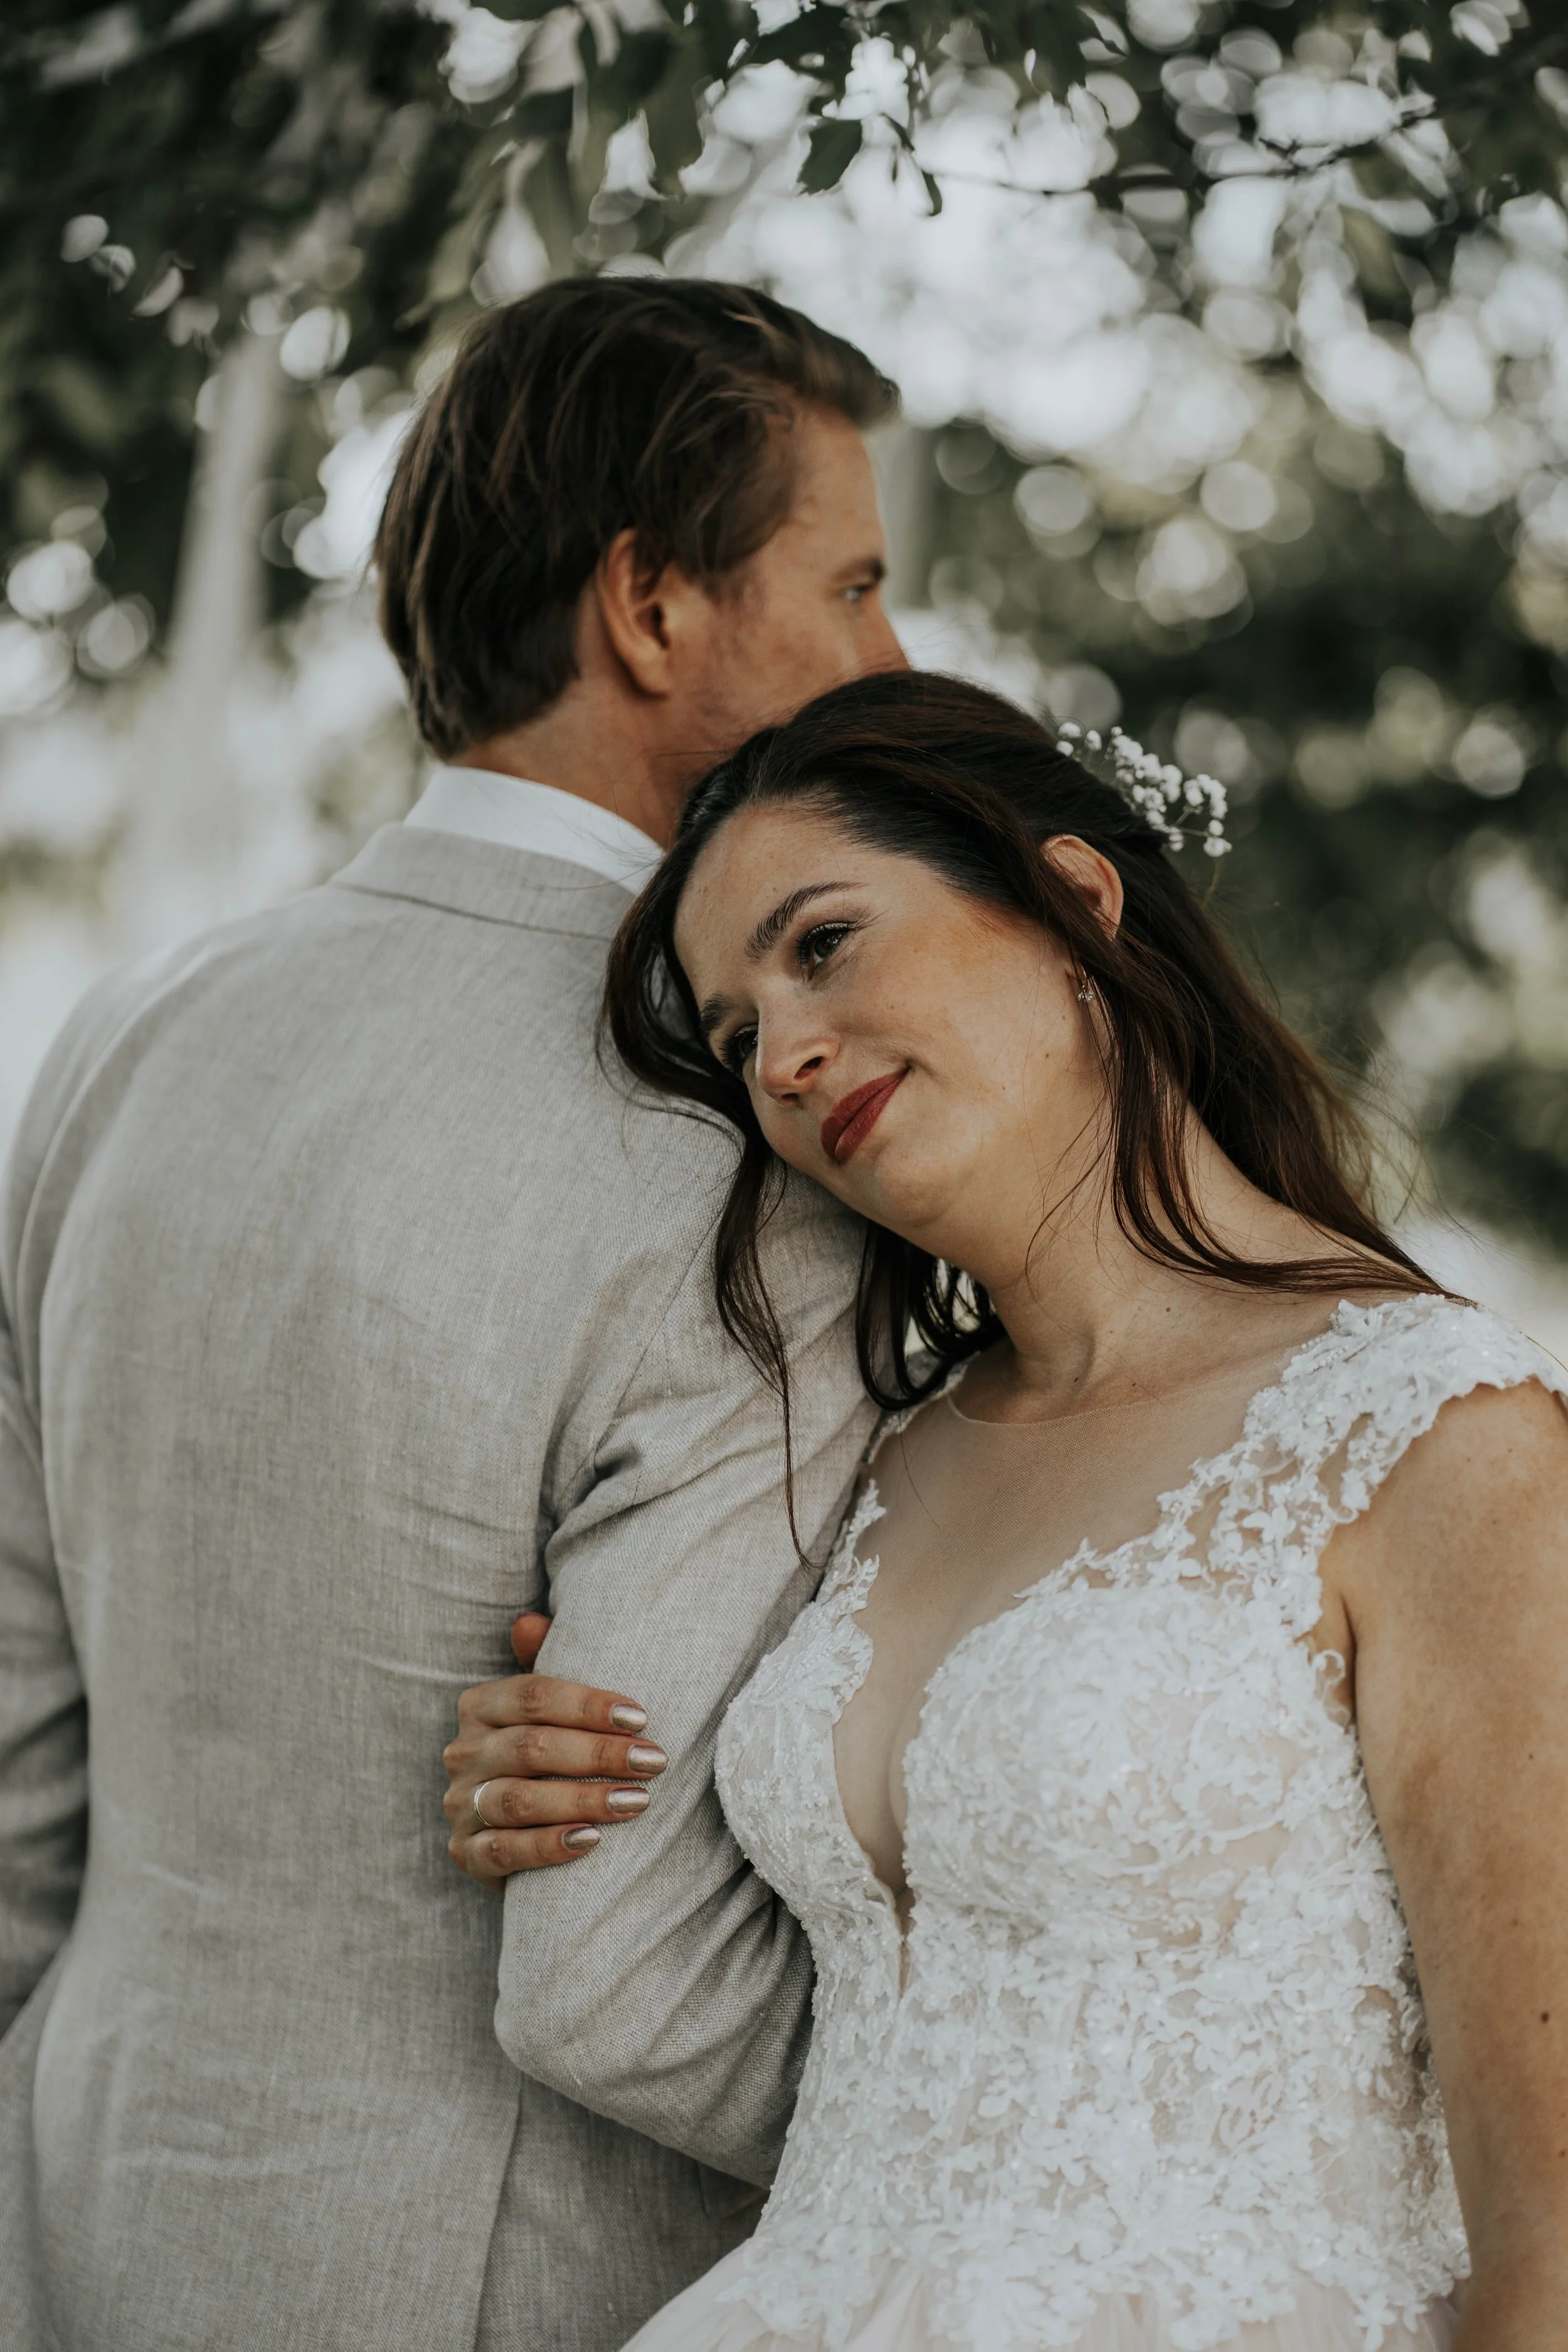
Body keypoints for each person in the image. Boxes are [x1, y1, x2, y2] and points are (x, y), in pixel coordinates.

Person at [450, 670, 1568, 2352]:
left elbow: (1549, 2244)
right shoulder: (875, 1455)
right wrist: (554, 1767)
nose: (786, 1056)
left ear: (1071, 899)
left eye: (819, 944)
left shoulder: (1433, 1431)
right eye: (738, 1034)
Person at [0, 280, 904, 2351]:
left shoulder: (128, 1032)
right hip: (496, 2270)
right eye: (849, 584)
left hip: (73, 2196)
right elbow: (637, 1978)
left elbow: (14, 1747)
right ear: (651, 607)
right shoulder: (748, 1144)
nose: (889, 660)